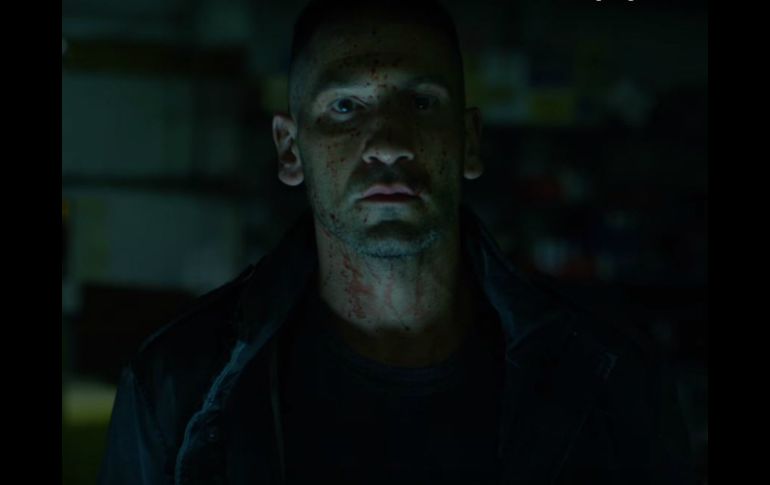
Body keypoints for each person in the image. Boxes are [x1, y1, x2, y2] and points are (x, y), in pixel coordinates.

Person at [98, 1, 694, 484]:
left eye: (421, 102)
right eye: (345, 106)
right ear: (290, 150)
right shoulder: (175, 388)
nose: (387, 142)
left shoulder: (613, 378)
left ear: (468, 141)